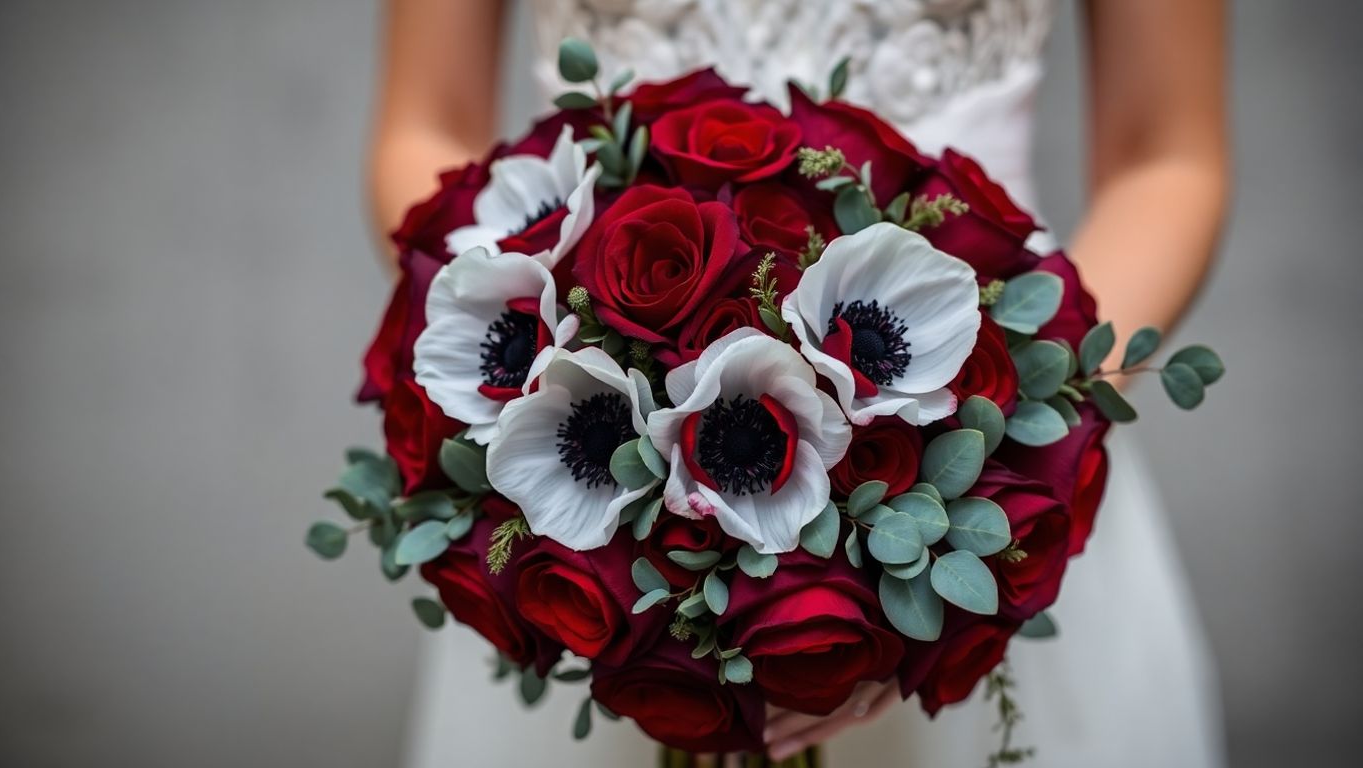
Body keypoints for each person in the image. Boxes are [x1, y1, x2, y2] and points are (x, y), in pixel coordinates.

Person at [371, 2, 1229, 765]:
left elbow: (1167, 154)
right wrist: (519, 349)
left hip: (977, 427)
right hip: (578, 464)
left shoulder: (981, 457)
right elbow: (426, 124)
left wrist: (1021, 431)